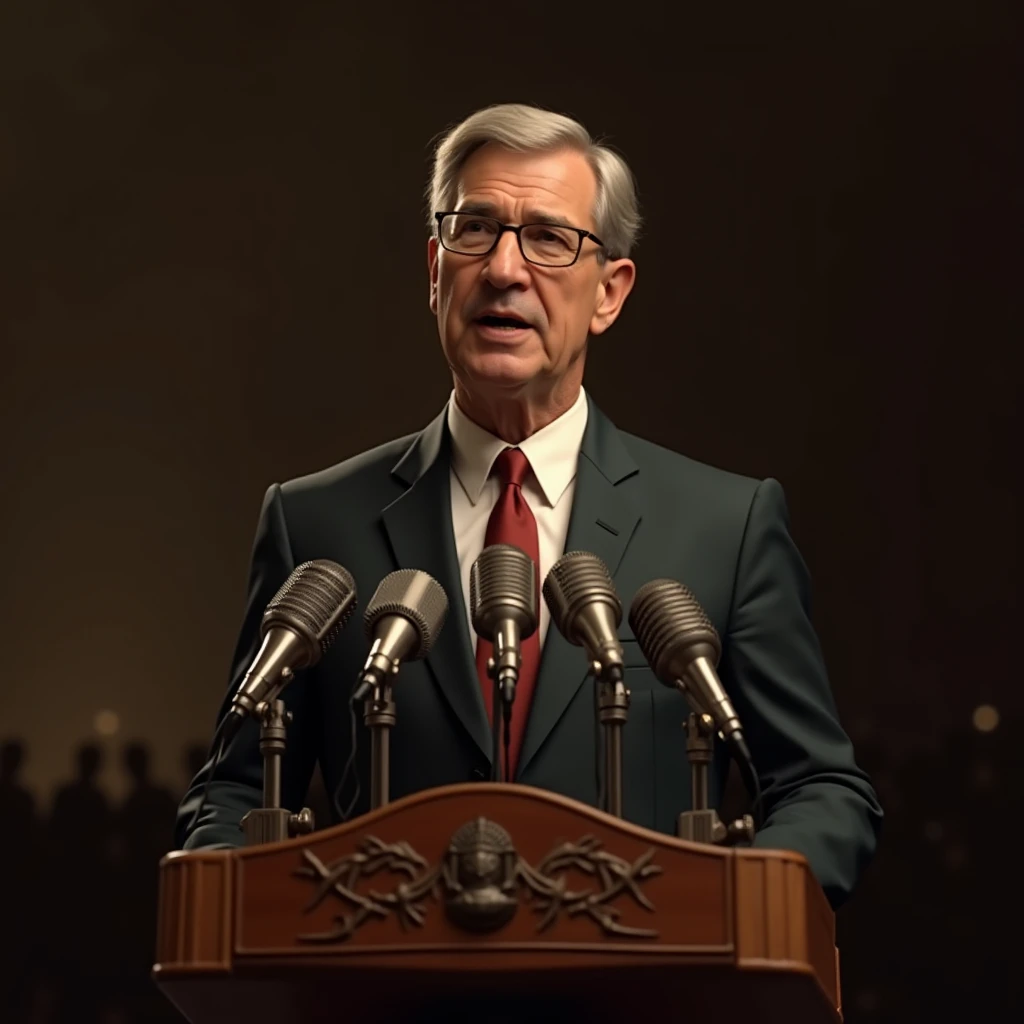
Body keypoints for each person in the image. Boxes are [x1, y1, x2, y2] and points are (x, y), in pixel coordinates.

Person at [175, 102, 882, 909]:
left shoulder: (726, 527)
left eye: (549, 238)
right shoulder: (316, 523)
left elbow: (825, 792)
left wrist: (717, 908)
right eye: (474, 230)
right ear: (435, 270)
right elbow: (229, 794)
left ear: (610, 292)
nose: (505, 269)